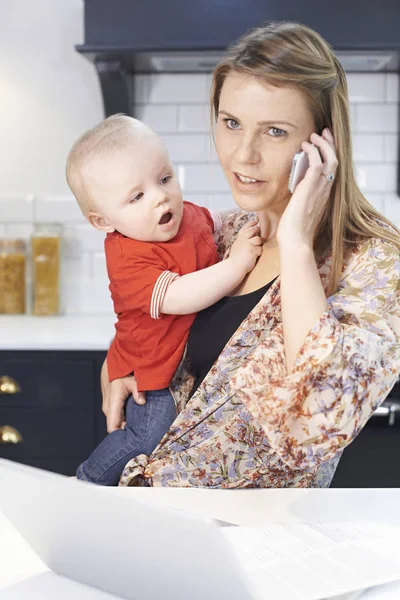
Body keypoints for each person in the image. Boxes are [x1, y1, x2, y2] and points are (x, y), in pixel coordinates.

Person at [101, 21, 400, 488]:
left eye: (275, 132)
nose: (243, 155)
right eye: (231, 122)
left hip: (255, 545)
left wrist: (298, 243)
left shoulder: (376, 263)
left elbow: (325, 415)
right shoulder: (223, 232)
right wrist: (117, 363)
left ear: (323, 144)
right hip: (149, 521)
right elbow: (147, 311)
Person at [65, 116, 262, 485]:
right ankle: (86, 481)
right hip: (151, 371)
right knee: (146, 437)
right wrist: (237, 263)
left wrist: (255, 215)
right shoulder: (128, 258)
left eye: (165, 178)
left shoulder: (182, 216)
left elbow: (215, 221)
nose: (160, 197)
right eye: (137, 196)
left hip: (178, 364)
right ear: (103, 221)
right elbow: (179, 296)